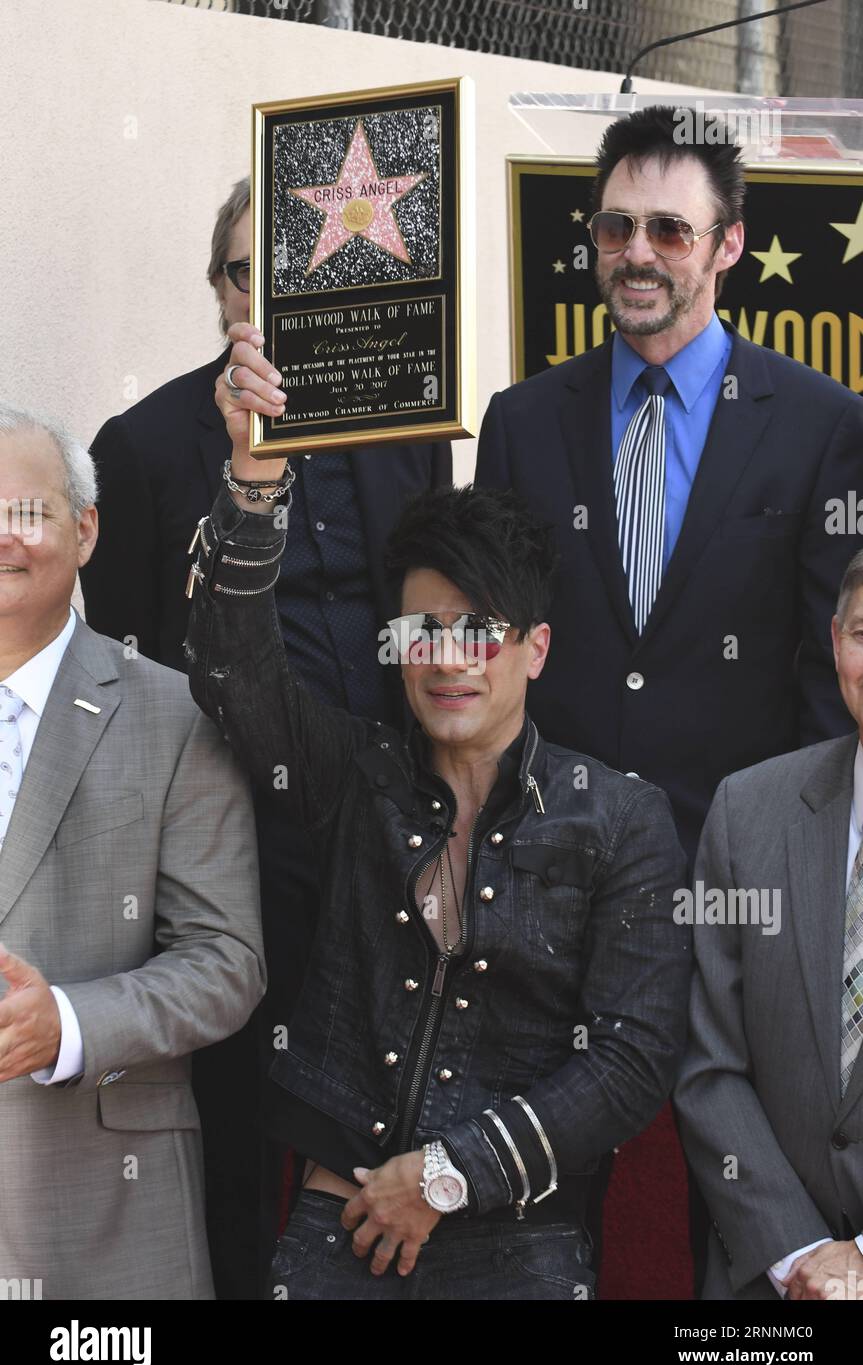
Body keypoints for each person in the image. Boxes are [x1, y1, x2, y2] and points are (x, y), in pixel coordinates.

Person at [180, 320, 691, 1301]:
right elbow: (230, 675)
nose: (449, 657)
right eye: (423, 628)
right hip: (340, 1225)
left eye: (480, 630)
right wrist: (250, 485)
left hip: (517, 1242)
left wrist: (449, 1176)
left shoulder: (620, 819)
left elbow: (631, 1058)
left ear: (533, 647)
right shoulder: (352, 773)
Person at [474, 103, 863, 1298]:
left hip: (744, 879)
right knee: (552, 1210)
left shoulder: (821, 424)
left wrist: (788, 858)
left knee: (739, 1199)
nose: (634, 252)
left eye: (666, 230)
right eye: (612, 227)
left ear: (727, 245)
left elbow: (822, 667)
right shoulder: (520, 421)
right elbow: (496, 657)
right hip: (558, 901)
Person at [81, 176, 452, 1299]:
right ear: (216, 290)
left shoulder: (403, 427)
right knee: (239, 1128)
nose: (270, 303)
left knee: (385, 1119)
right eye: (249, 275)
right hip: (225, 846)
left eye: (296, 280)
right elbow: (126, 672)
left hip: (383, 829)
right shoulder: (140, 448)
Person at [0, 404, 265, 1300]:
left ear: (85, 531)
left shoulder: (173, 714)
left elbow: (228, 962)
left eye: (25, 514)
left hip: (107, 1225)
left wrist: (67, 1025)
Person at [675, 550, 863, 1301]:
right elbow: (708, 1062)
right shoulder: (748, 811)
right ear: (835, 642)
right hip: (770, 1278)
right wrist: (801, 1253)